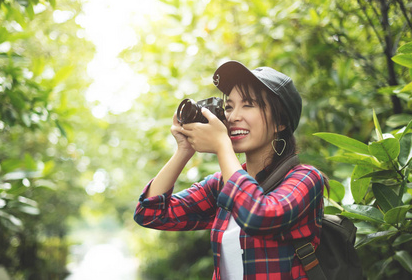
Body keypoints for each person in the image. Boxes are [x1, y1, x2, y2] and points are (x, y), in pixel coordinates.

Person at [134, 60, 326, 280]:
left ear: (280, 122)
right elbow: (150, 213)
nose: (233, 117)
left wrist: (221, 146)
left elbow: (259, 215)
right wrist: (184, 151)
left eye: (249, 104)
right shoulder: (221, 185)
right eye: (229, 107)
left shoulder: (306, 179)